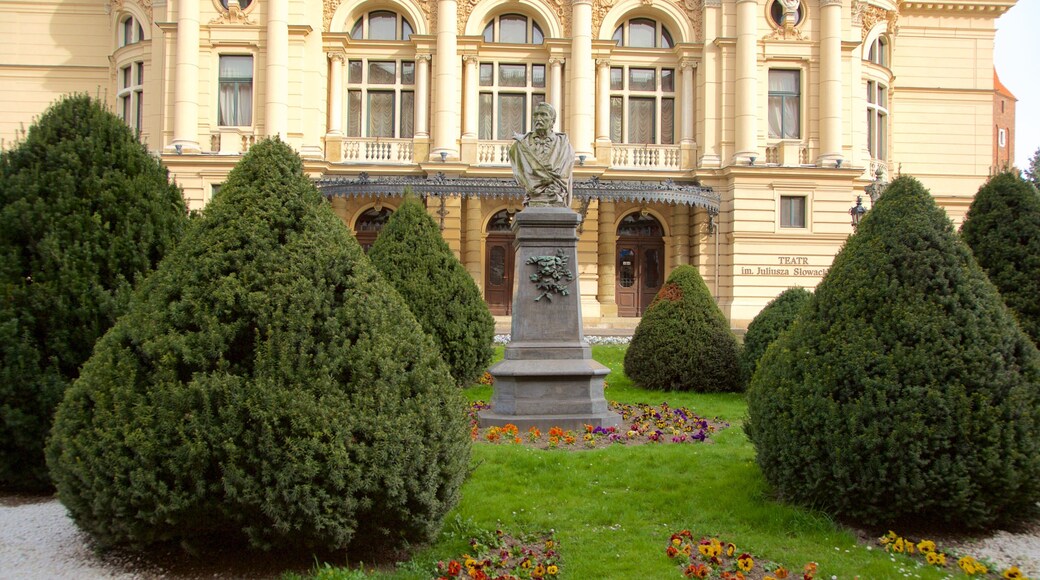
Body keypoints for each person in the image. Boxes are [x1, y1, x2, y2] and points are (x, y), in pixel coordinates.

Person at [508, 102, 574, 207]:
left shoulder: (565, 147)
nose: (538, 118)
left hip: (555, 196)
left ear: (553, 121)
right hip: (533, 199)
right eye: (536, 115)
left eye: (543, 115)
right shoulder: (519, 147)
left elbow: (563, 174)